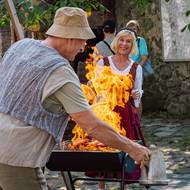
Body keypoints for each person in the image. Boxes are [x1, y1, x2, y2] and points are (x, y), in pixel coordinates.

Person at [0, 7, 150, 190]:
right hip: (15, 155)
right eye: (82, 41)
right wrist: (132, 148)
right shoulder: (59, 70)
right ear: (70, 37)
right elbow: (92, 125)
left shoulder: (20, 46)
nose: (83, 47)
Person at [86, 29, 146, 190]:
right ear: (116, 42)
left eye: (128, 42)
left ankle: (124, 186)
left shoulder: (136, 67)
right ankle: (101, 185)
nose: (124, 44)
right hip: (106, 110)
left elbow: (139, 91)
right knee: (103, 146)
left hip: (126, 113)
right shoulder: (103, 62)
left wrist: (136, 94)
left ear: (132, 46)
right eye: (122, 40)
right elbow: (95, 89)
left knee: (126, 149)